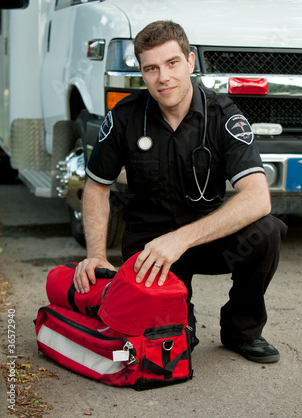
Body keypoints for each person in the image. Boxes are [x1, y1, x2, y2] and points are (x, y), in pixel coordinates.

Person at [74, 20, 287, 363]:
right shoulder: (125, 117)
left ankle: (241, 331)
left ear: (190, 62)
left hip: (205, 241)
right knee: (170, 349)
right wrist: (97, 254)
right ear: (142, 73)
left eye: (172, 64)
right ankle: (180, 323)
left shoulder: (223, 115)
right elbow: (97, 188)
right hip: (149, 251)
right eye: (151, 68)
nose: (163, 78)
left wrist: (182, 239)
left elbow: (257, 196)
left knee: (266, 232)